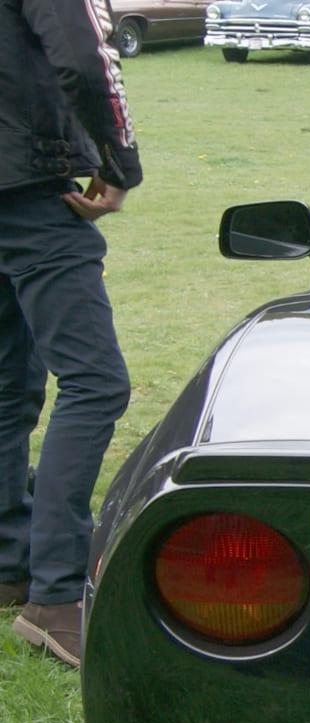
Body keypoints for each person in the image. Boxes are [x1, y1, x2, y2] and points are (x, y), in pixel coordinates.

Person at [1, 0, 142, 666]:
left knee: (9, 383)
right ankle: (56, 598)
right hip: (32, 180)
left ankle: (13, 561)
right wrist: (119, 161)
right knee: (95, 383)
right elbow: (85, 57)